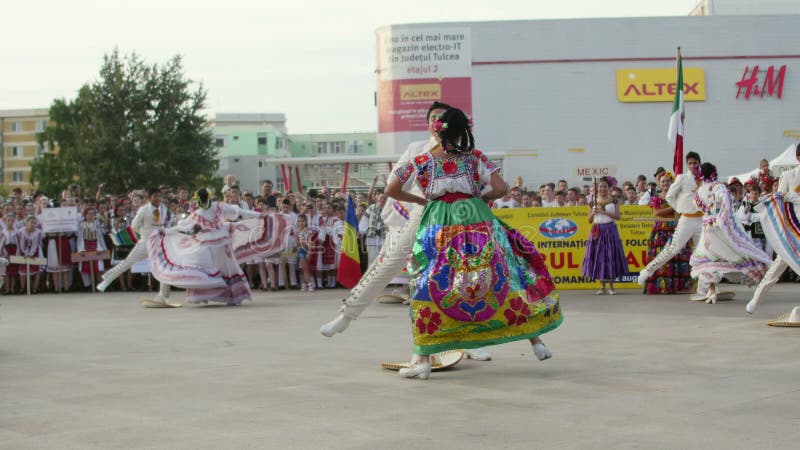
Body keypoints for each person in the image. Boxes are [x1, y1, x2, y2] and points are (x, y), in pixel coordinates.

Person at [382, 108, 562, 379]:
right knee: (506, 276)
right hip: (478, 220)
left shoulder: (422, 161)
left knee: (429, 287)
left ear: (439, 131)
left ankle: (422, 359)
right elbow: (502, 189)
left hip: (438, 224)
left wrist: (423, 201)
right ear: (463, 131)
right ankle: (536, 341)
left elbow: (391, 189)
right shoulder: (475, 157)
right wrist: (481, 198)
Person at [319, 101, 494, 362]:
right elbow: (395, 185)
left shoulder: (469, 154)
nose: (439, 122)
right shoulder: (418, 151)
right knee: (387, 265)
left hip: (459, 223)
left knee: (463, 279)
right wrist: (422, 204)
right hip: (421, 217)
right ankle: (347, 315)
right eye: (435, 117)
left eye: (443, 118)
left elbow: (492, 186)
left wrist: (472, 204)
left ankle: (468, 341)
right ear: (429, 124)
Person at [147, 188, 266, 305]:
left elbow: (181, 227)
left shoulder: (199, 213)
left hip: (209, 243)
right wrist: (260, 215)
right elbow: (240, 211)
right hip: (219, 241)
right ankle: (227, 294)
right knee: (225, 268)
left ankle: (210, 293)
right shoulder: (216, 206)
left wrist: (165, 231)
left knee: (205, 267)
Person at [690, 163, 771, 304]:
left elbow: (697, 206)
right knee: (738, 252)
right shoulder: (720, 187)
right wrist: (723, 219)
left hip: (708, 229)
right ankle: (757, 280)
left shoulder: (700, 190)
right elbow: (727, 205)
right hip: (720, 227)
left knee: (708, 258)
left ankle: (712, 291)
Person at [637, 152, 709, 299]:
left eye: (695, 163)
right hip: (686, 220)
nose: (693, 166)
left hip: (701, 220)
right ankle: (647, 271)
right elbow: (670, 196)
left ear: (699, 163)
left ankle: (703, 289)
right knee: (672, 249)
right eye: (690, 163)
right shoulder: (682, 178)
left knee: (703, 253)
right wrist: (680, 208)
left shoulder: (704, 179)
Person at [747, 143, 800, 313]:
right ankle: (756, 299)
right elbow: (779, 201)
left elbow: (787, 196)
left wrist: (790, 196)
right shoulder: (788, 176)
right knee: (776, 268)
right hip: (792, 231)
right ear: (798, 158)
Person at [97, 187, 172, 305]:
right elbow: (134, 226)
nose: (158, 199)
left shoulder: (163, 208)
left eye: (159, 196)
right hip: (145, 242)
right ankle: (106, 280)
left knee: (163, 267)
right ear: (149, 197)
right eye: (155, 196)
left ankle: (164, 295)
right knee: (127, 262)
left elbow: (163, 224)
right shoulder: (143, 210)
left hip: (158, 243)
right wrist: (144, 234)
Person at [643, 172, 694, 295]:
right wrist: (673, 208)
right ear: (659, 184)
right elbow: (657, 213)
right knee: (661, 256)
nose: (665, 183)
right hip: (661, 230)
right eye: (663, 181)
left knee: (677, 257)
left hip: (676, 227)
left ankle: (677, 286)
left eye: (668, 181)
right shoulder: (657, 197)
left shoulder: (677, 196)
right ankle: (662, 285)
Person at [581, 177, 629, 295]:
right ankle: (602, 286)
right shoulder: (592, 200)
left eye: (604, 186)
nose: (602, 189)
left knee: (610, 256)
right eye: (600, 186)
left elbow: (618, 216)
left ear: (609, 188)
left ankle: (611, 286)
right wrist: (593, 212)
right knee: (599, 256)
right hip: (597, 230)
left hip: (610, 230)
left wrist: (604, 212)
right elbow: (589, 220)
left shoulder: (614, 200)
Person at [77, 207, 107, 289]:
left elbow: (100, 237)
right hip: (85, 247)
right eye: (89, 214)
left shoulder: (97, 224)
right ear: (85, 215)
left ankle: (102, 285)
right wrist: (81, 249)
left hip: (96, 246)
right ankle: (88, 286)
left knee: (99, 268)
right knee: (85, 268)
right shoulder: (82, 225)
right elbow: (80, 238)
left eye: (92, 214)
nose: (90, 216)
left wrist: (100, 248)